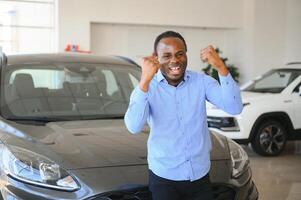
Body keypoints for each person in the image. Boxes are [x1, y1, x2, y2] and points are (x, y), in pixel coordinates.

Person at [124, 30, 243, 200]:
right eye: (167, 55)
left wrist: (220, 67)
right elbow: (133, 126)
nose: (174, 60)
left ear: (186, 55)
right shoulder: (147, 88)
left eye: (180, 54)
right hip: (164, 179)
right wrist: (144, 81)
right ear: (156, 57)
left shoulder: (201, 82)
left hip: (199, 176)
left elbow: (235, 107)